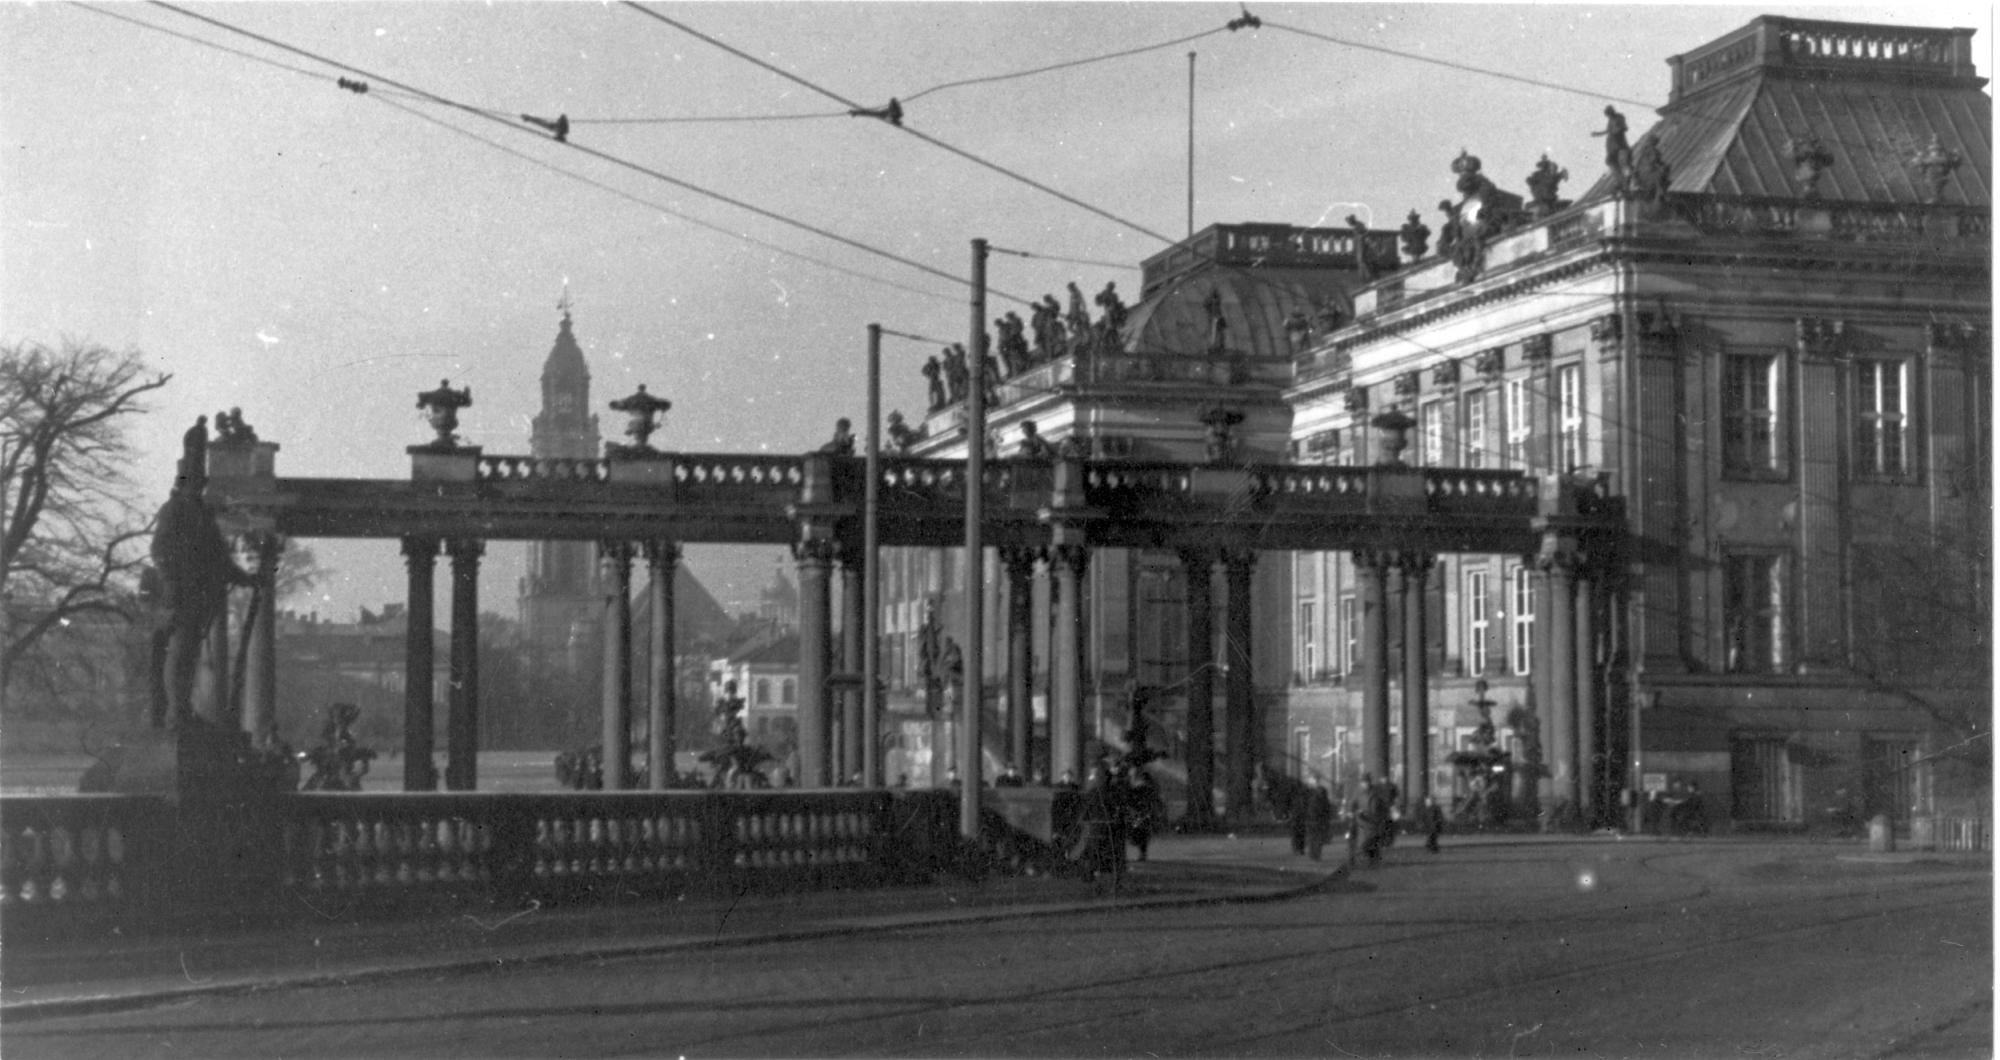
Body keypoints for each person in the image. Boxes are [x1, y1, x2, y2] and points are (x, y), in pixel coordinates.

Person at [1126, 767, 1165, 862]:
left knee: (1140, 834)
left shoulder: (1142, 789)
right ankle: (1142, 853)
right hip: (1143, 814)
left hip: (1141, 814)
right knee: (1142, 835)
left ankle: (1142, 853)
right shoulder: (1148, 789)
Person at [1302, 775, 1335, 861]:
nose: (1310, 782)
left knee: (1314, 838)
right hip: (1316, 819)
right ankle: (1315, 855)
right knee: (1316, 839)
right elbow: (1327, 807)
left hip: (1314, 819)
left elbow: (1323, 806)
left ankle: (1314, 855)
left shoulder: (1313, 792)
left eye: (1312, 780)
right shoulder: (1316, 792)